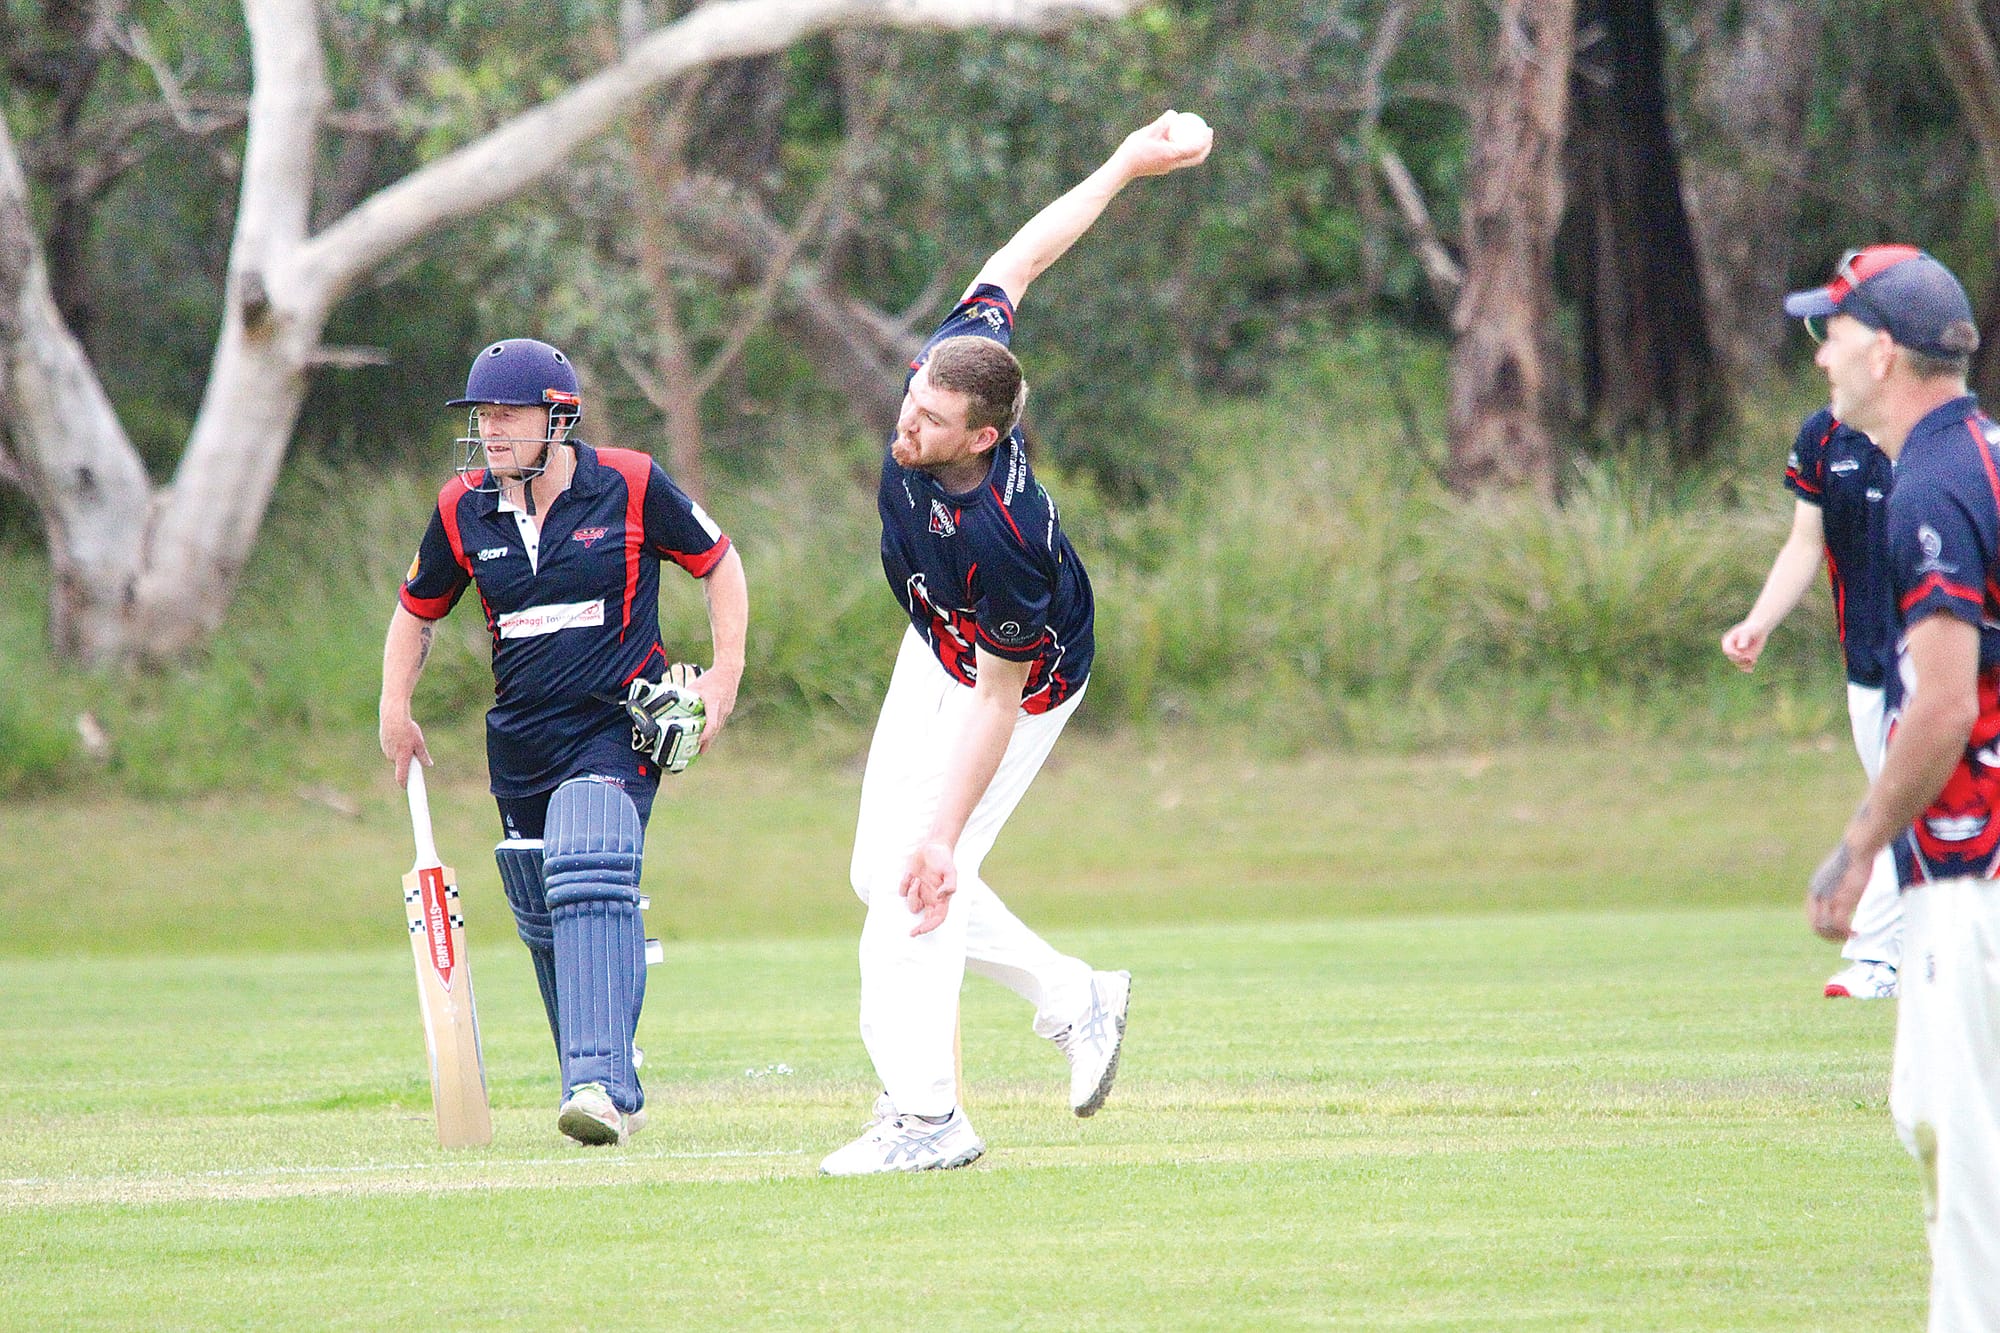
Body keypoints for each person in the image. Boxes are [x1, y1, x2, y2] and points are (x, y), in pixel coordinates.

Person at [817, 112, 1214, 1177]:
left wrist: (944, 839)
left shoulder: (1005, 537)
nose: (907, 424)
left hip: (1020, 683)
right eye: (912, 398)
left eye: (932, 420)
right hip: (936, 641)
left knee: (913, 878)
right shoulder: (958, 362)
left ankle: (927, 1117)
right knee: (876, 868)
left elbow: (994, 701)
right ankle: (1071, 995)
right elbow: (1018, 258)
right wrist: (1126, 163)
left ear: (983, 437)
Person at [379, 338, 748, 1147]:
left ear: (559, 416)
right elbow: (418, 609)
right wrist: (394, 704)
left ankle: (596, 1084)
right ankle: (614, 1067)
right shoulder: (460, 507)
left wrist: (722, 676)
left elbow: (719, 565)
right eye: (483, 416)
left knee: (589, 862)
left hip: (616, 724)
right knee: (547, 909)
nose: (491, 431)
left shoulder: (631, 482)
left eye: (507, 415)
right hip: (520, 742)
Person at [1796, 245, 2000, 1332]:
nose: (1818, 354)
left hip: (1972, 868)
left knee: (1957, 1141)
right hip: (1967, 864)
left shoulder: (1929, 478)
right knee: (1932, 1112)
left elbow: (1939, 704)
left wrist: (1857, 841)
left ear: (1880, 350)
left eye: (1828, 331)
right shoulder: (1980, 455)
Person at [1722, 409, 1902, 998]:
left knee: (1914, 800)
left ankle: (1879, 955)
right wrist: (1760, 622)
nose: (1822, 352)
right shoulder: (1822, 437)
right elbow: (1806, 541)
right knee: (1907, 802)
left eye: (1834, 334)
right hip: (1867, 665)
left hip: (1952, 661)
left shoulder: (1947, 431)